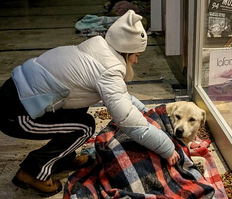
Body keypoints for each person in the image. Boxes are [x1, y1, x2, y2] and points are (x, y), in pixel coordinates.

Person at [0, 10, 179, 197]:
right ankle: (31, 172)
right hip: (16, 113)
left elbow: (120, 97)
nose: (136, 60)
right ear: (126, 52)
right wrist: (167, 148)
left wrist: (144, 111)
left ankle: (64, 157)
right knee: (84, 128)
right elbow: (130, 122)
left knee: (80, 110)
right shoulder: (108, 72)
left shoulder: (98, 50)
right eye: (137, 55)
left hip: (17, 96)